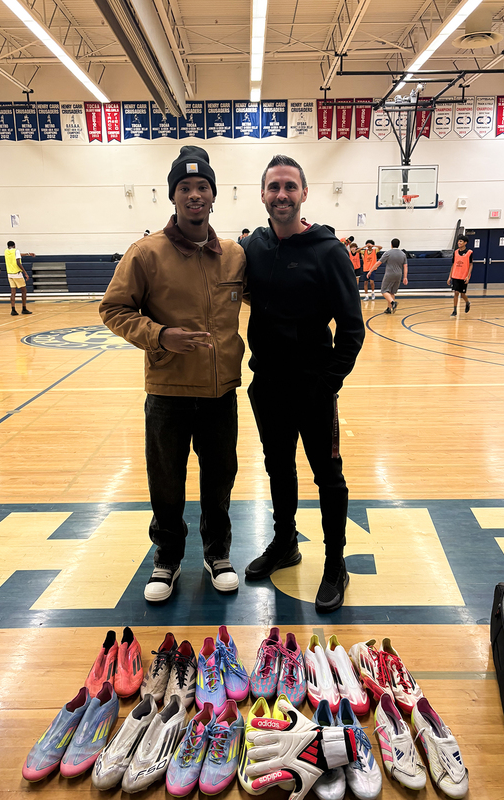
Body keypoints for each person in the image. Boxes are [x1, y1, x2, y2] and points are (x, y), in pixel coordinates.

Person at [100, 146, 246, 603]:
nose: (194, 195)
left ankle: (217, 553)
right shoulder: (146, 253)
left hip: (220, 392)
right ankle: (167, 558)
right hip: (168, 392)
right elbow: (113, 309)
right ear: (173, 197)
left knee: (220, 476)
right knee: (165, 478)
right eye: (185, 188)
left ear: (213, 195)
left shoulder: (236, 255)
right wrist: (161, 336)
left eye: (202, 187)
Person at [241, 154, 365, 613]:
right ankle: (285, 544)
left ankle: (336, 563)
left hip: (314, 389)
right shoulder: (254, 247)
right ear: (263, 195)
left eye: (290, 187)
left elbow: (352, 328)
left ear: (304, 193)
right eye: (274, 187)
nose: (281, 195)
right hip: (267, 387)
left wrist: (328, 382)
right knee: (279, 468)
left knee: (328, 478)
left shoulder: (328, 251)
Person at [367, 237, 408, 314]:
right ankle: (389, 309)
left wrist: (370, 271)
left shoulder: (388, 253)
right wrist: (405, 277)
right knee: (392, 292)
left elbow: (378, 263)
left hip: (390, 274)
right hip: (399, 275)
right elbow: (405, 266)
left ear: (391, 245)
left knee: (384, 291)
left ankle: (393, 303)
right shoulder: (403, 254)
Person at [4, 240, 34, 316]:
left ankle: (13, 309)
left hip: (9, 274)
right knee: (24, 291)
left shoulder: (6, 252)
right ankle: (24, 308)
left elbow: (18, 255)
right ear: (14, 245)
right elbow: (18, 262)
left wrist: (28, 254)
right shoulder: (16, 251)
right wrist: (25, 273)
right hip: (17, 274)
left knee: (13, 292)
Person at [448, 235, 473, 316]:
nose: (459, 242)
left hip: (463, 276)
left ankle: (467, 302)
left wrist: (468, 276)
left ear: (465, 243)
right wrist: (449, 277)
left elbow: (471, 265)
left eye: (461, 241)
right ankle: (454, 310)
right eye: (458, 241)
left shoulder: (469, 253)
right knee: (456, 292)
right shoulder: (455, 252)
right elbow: (453, 265)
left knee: (462, 294)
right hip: (455, 275)